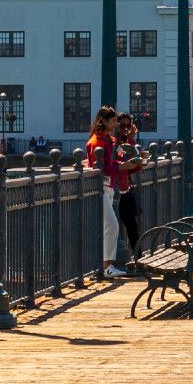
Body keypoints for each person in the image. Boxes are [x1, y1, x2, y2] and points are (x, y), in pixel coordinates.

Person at [83, 106, 129, 280]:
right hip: (99, 187)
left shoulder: (106, 140)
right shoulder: (98, 142)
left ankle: (104, 265)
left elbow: (106, 163)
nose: (116, 124)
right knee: (112, 224)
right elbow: (100, 167)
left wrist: (122, 162)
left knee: (107, 226)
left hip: (107, 187)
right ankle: (106, 266)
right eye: (113, 121)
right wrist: (121, 166)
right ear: (104, 121)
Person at [113, 112, 146, 259]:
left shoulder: (127, 142)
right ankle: (113, 260)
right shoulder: (114, 142)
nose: (125, 128)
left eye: (128, 125)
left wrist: (142, 161)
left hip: (126, 188)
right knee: (115, 226)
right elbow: (120, 158)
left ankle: (138, 256)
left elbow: (133, 167)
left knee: (132, 224)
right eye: (122, 125)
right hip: (115, 189)